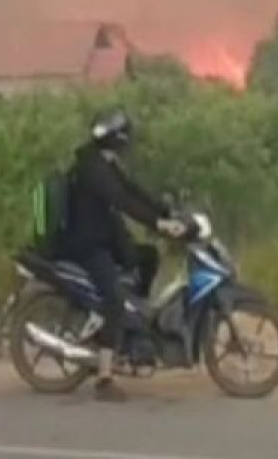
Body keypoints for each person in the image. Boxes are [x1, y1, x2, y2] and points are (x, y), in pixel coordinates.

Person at [57, 108, 187, 402]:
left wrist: (165, 210)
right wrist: (158, 223)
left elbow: (132, 190)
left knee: (148, 257)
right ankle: (104, 378)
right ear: (120, 140)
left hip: (105, 238)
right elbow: (122, 201)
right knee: (113, 301)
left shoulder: (103, 161)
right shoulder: (93, 169)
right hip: (87, 245)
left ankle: (133, 328)